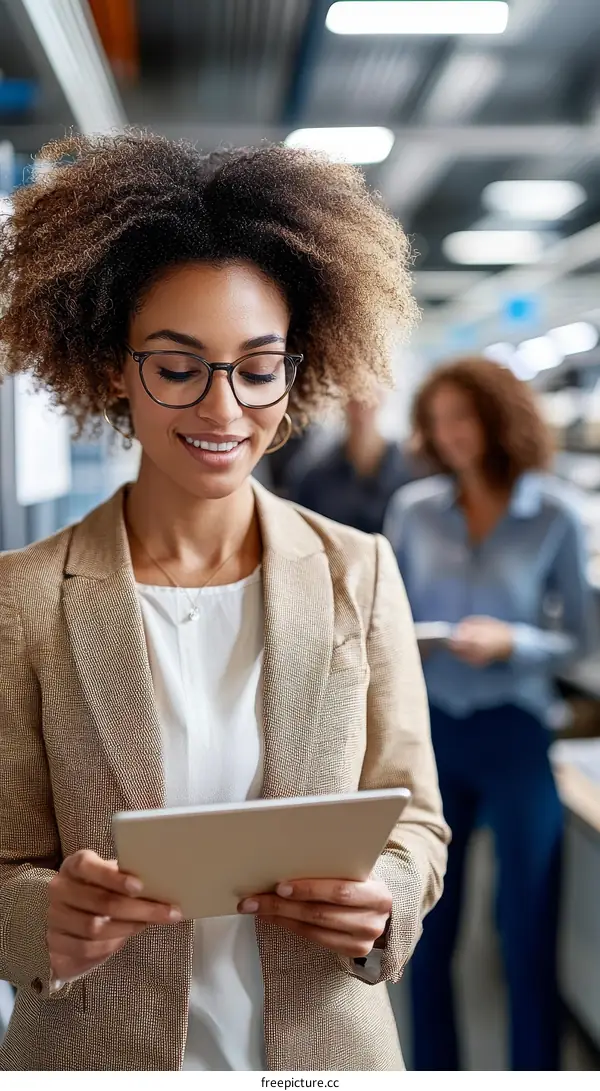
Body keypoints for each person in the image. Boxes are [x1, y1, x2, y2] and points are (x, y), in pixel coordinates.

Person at [0, 132, 449, 1072]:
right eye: (177, 364)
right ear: (113, 368)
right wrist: (40, 917)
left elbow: (415, 820)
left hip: (321, 1054)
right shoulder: (25, 597)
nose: (223, 409)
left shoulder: (357, 570)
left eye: (257, 365)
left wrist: (388, 895)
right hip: (97, 1054)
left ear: (295, 370)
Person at [384, 357, 593, 1072]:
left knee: (526, 925)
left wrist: (516, 640)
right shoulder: (412, 510)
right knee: (425, 929)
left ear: (500, 418)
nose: (450, 435)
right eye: (437, 422)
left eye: (463, 417)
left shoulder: (555, 514)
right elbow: (389, 619)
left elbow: (582, 638)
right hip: (432, 731)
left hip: (516, 728)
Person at [290, 390, 426, 534]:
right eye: (352, 396)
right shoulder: (313, 477)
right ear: (340, 400)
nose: (361, 404)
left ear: (382, 397)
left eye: (368, 393)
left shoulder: (413, 469)